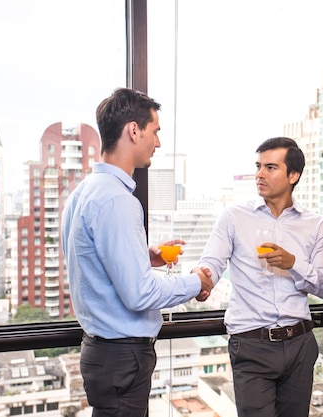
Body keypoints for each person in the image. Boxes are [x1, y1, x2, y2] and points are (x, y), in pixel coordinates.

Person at [61, 87, 213, 417]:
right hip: (121, 357)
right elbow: (139, 293)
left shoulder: (83, 193)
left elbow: (89, 260)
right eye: (155, 131)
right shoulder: (117, 200)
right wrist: (195, 281)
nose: (158, 142)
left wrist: (142, 256)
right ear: (133, 130)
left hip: (103, 353)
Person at [197, 137, 323, 417]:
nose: (260, 174)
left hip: (299, 344)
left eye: (271, 167)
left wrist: (293, 263)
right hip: (251, 345)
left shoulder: (316, 224)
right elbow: (211, 262)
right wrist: (202, 279)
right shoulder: (234, 217)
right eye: (258, 166)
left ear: (293, 175)